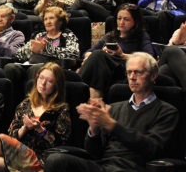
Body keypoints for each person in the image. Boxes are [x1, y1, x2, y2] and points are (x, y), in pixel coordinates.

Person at [45, 52, 179, 172]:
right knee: (55, 160)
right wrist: (94, 129)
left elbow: (152, 148)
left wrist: (112, 125)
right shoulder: (114, 108)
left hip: (132, 168)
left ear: (153, 75)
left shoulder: (166, 111)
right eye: (129, 72)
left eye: (138, 72)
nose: (132, 77)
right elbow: (95, 153)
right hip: (103, 166)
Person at [0, 62, 71, 172]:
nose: (43, 83)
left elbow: (61, 143)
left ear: (57, 84)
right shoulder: (25, 104)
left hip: (43, 159)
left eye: (49, 81)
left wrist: (40, 129)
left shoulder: (61, 109)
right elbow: (12, 135)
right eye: (41, 78)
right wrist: (24, 128)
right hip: (21, 154)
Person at [4, 7, 79, 103]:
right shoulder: (39, 35)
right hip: (30, 63)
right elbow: (19, 54)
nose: (48, 21)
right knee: (10, 68)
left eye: (52, 18)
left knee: (37, 69)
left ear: (60, 21)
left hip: (52, 67)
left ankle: (32, 103)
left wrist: (46, 48)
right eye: (46, 19)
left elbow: (73, 54)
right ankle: (12, 103)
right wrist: (31, 49)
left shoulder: (67, 35)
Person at [79, 4, 154, 98]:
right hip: (105, 69)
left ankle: (77, 81)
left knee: (98, 55)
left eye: (126, 19)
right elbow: (86, 53)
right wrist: (102, 54)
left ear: (135, 21)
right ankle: (94, 101)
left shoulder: (142, 35)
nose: (121, 22)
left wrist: (122, 55)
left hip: (124, 68)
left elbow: (149, 58)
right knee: (98, 57)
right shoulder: (111, 35)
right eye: (119, 18)